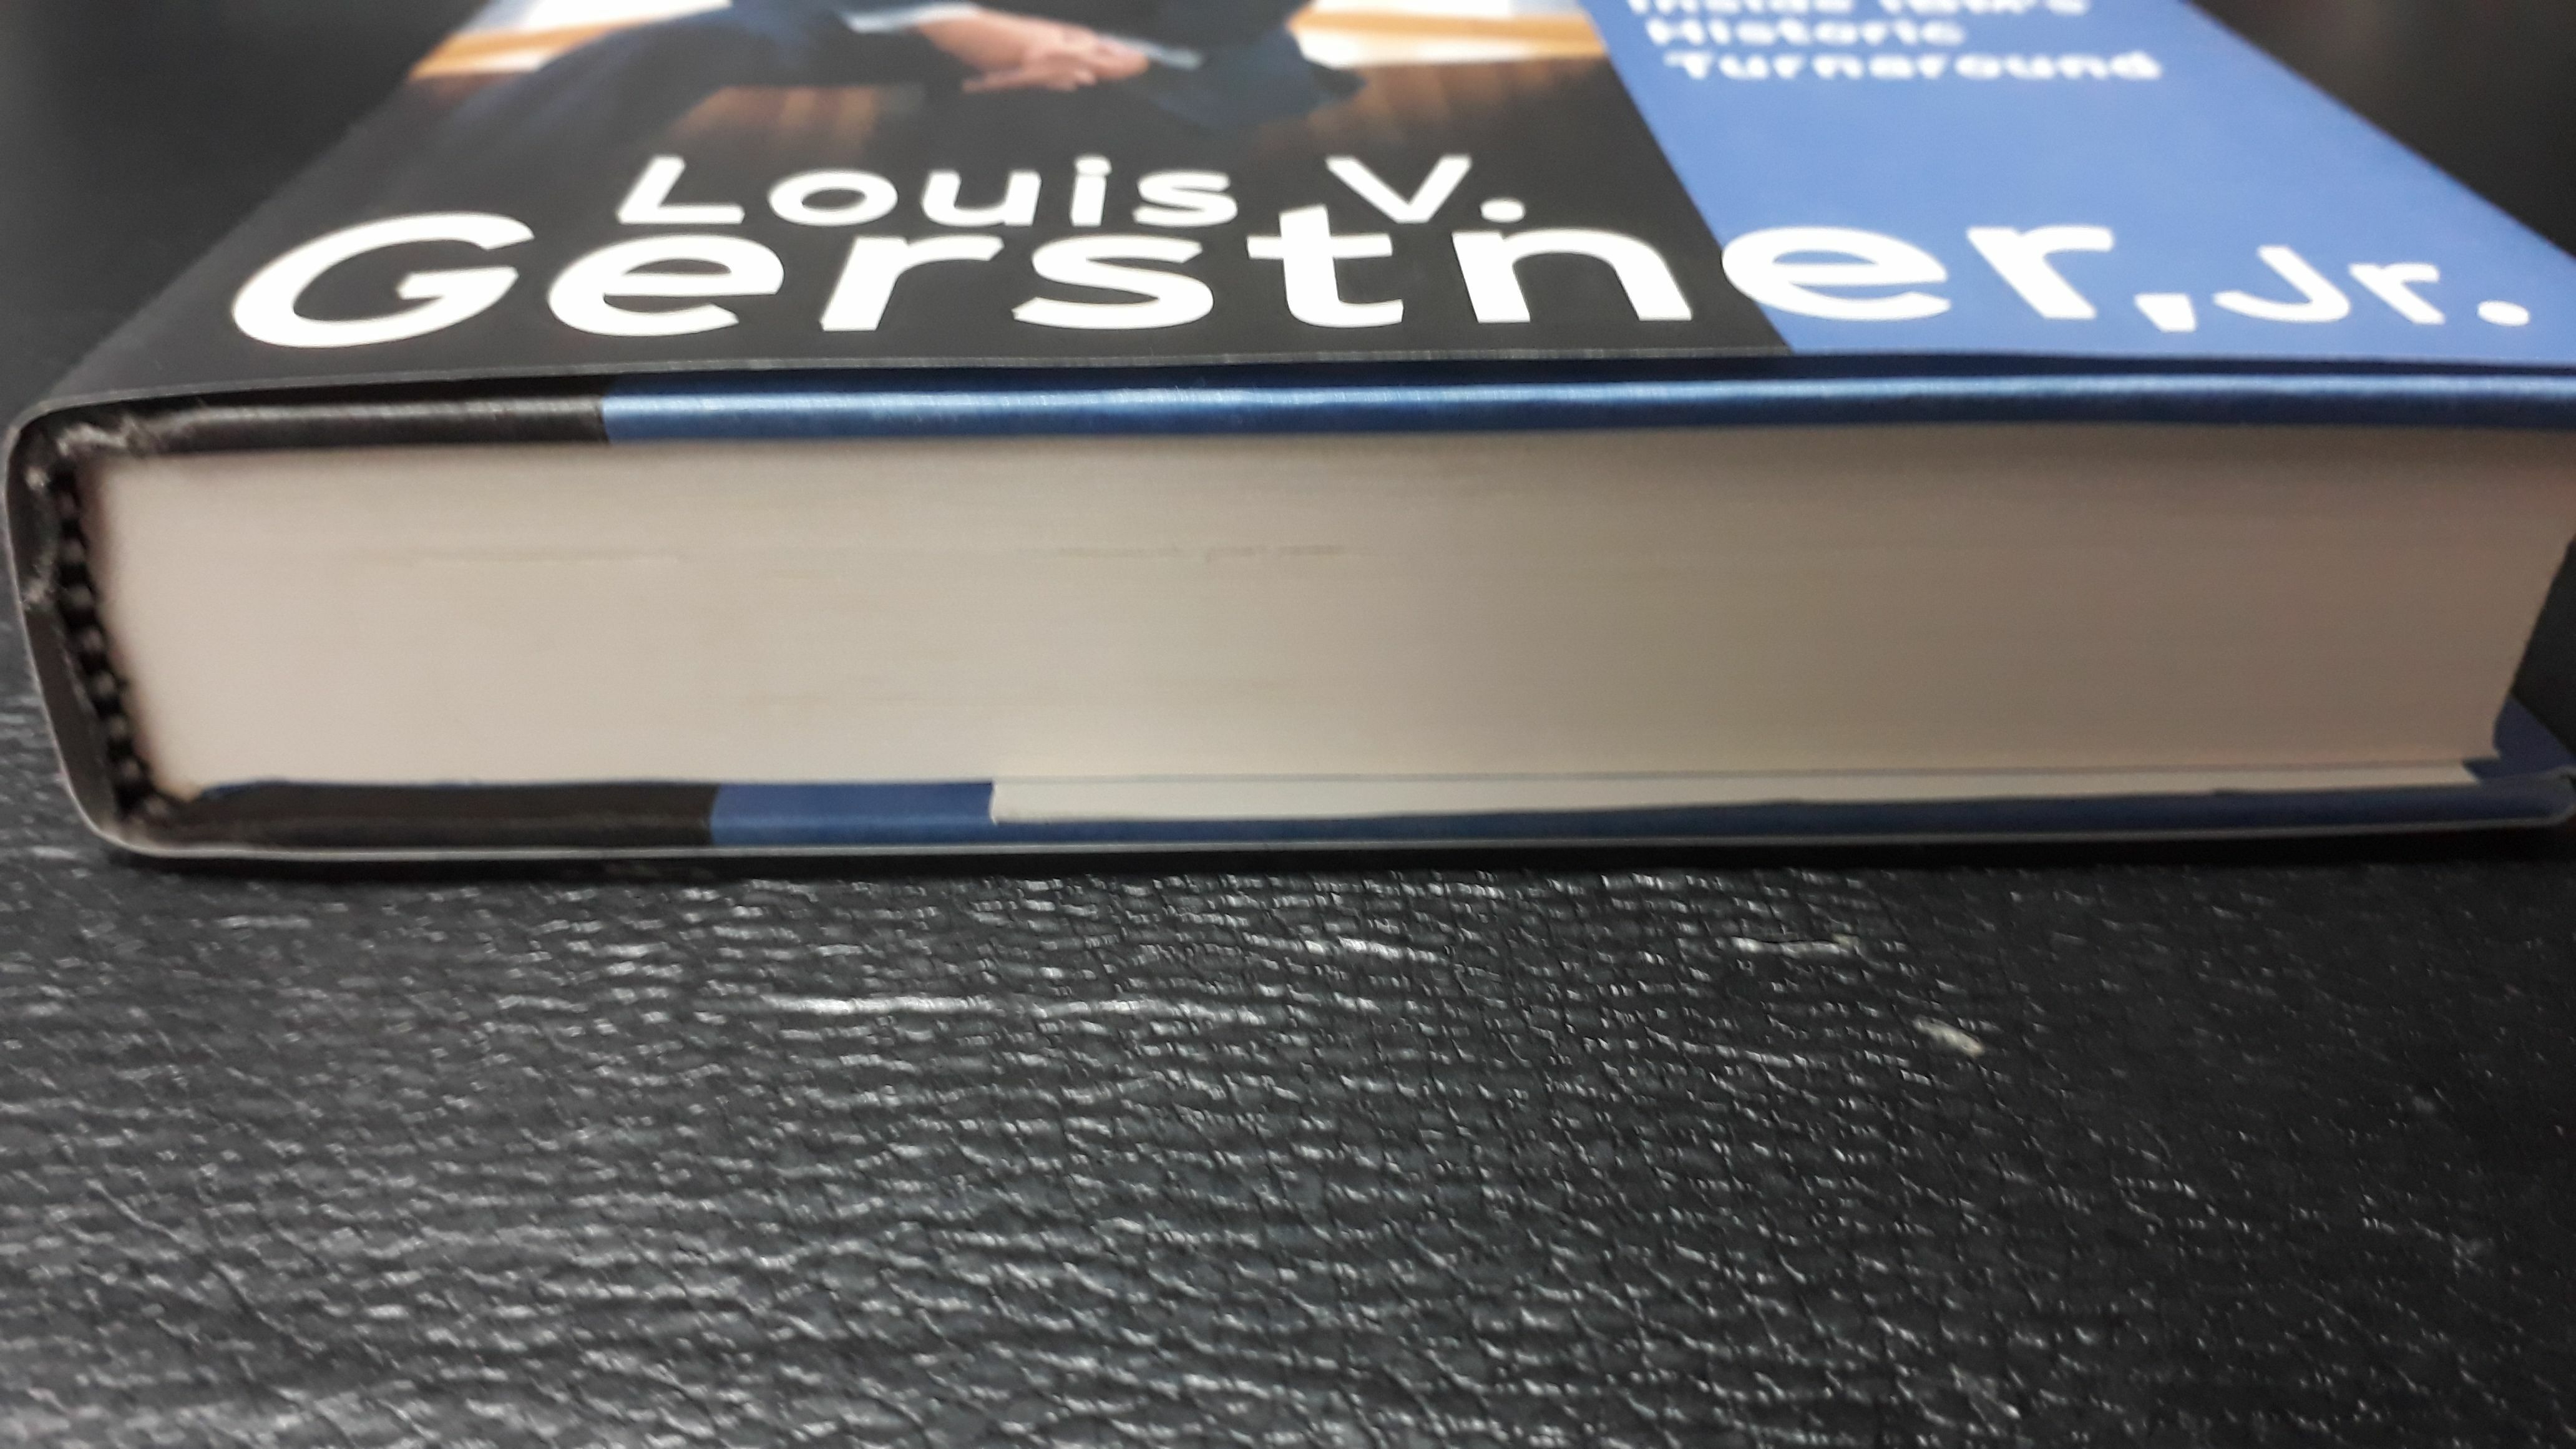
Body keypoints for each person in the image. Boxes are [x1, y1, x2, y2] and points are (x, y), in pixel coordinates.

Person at [407, 0, 1359, 196]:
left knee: (1124, 132)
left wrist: (1116, 53)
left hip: (1161, 40)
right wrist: (948, 19)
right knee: (677, 45)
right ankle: (464, 198)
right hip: (904, 12)